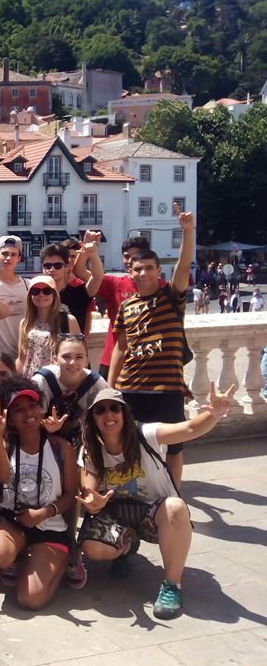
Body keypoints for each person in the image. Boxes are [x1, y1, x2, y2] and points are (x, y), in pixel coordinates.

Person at [77, 385, 235, 619]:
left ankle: (172, 585)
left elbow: (190, 428)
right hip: (117, 515)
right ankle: (126, 547)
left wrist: (215, 413)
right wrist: (93, 501)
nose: (108, 414)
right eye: (100, 410)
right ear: (93, 418)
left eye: (114, 408)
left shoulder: (146, 434)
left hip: (153, 512)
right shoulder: (91, 447)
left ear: (124, 412)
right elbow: (88, 486)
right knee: (93, 548)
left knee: (176, 507)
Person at [109, 205, 196, 484]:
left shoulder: (171, 296)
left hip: (167, 388)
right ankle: (139, 494)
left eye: (149, 268)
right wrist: (110, 388)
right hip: (131, 387)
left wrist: (187, 232)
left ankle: (174, 494)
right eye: (138, 269)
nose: (143, 273)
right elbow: (120, 348)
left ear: (158, 271)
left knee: (174, 448)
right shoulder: (126, 307)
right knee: (128, 445)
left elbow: (184, 265)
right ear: (130, 272)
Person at [0, 379, 78, 610]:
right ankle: (19, 555)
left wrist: (42, 514)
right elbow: (3, 477)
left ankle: (65, 559)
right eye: (18, 410)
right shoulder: (6, 444)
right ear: (10, 418)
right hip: (11, 522)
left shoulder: (60, 447)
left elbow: (71, 495)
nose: (28, 413)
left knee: (30, 599)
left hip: (49, 525)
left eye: (32, 406)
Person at [30, 333, 108, 589]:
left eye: (78, 357)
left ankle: (73, 548)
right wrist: (47, 429)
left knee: (75, 489)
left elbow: (109, 420)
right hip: (43, 439)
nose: (72, 363)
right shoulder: (43, 380)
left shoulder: (96, 384)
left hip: (82, 442)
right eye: (66, 357)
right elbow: (28, 418)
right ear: (55, 358)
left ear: (87, 359)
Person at [16, 274, 80, 377]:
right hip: (31, 379)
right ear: (30, 296)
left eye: (47, 291)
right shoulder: (25, 323)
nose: (41, 294)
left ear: (54, 295)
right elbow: (21, 358)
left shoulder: (68, 321)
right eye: (35, 291)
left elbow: (78, 354)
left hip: (58, 379)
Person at [40, 237, 102, 336]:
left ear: (66, 266)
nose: (52, 269)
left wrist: (93, 254)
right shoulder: (36, 292)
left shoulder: (78, 292)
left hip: (73, 344)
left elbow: (97, 277)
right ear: (42, 268)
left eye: (57, 265)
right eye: (47, 266)